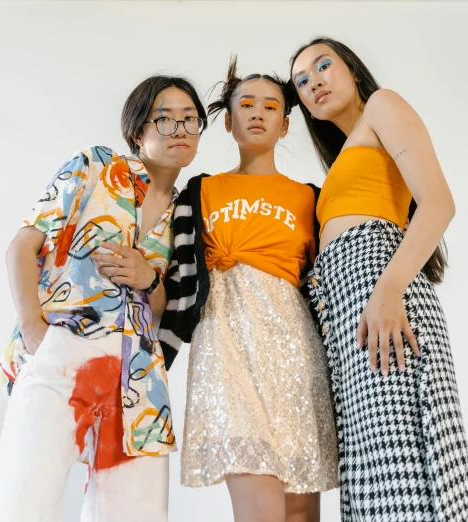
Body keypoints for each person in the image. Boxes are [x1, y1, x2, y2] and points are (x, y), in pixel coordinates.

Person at [0, 75, 207, 522]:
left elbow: (168, 311)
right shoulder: (95, 167)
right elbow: (23, 245)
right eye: (164, 119)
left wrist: (149, 278)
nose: (180, 129)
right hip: (63, 347)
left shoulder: (190, 211)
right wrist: (34, 333)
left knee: (133, 513)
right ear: (137, 132)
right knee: (23, 499)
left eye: (190, 120)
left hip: (139, 376)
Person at [288, 37, 468, 521]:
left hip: (383, 290)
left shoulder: (382, 105)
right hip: (348, 309)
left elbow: (439, 203)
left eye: (322, 66)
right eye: (301, 81)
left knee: (407, 458)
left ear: (352, 70)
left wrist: (389, 289)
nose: (313, 82)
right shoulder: (340, 163)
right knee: (373, 468)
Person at [158, 57, 338, 522]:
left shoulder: (311, 197)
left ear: (284, 124)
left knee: (300, 512)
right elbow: (173, 272)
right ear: (228, 120)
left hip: (295, 352)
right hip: (227, 346)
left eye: (271, 106)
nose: (258, 113)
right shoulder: (199, 191)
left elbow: (326, 282)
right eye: (246, 104)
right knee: (259, 509)